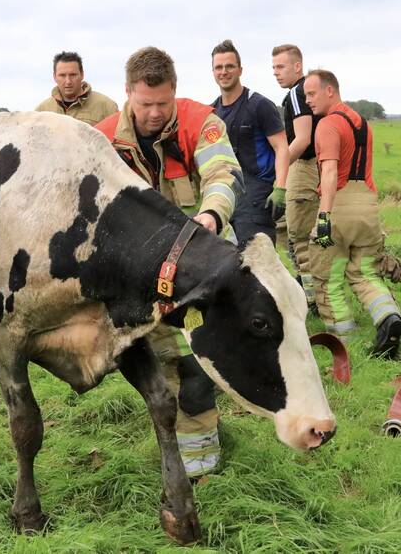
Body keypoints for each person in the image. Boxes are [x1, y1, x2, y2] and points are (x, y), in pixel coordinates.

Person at [96, 46, 243, 477]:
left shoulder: (202, 122)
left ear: (175, 90)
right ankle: (184, 449)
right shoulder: (103, 139)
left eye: (163, 103)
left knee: (197, 360)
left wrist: (212, 214)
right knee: (163, 362)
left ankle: (202, 460)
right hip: (141, 274)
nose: (155, 113)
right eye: (145, 104)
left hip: (202, 266)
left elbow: (223, 174)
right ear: (127, 93)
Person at [304, 68, 401, 357]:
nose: (308, 100)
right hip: (368, 206)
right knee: (366, 274)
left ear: (330, 90)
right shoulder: (362, 123)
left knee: (328, 277)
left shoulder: (326, 125)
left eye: (312, 94)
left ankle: (345, 342)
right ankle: (388, 318)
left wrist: (324, 216)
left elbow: (331, 170)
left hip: (339, 207)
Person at [210, 39, 289, 246]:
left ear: (240, 70)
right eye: (219, 67)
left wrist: (280, 188)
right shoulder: (212, 113)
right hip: (224, 196)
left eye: (229, 66)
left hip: (256, 197)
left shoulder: (259, 105)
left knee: (258, 264)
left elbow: (281, 147)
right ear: (213, 72)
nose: (224, 72)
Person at [272, 44, 320, 311]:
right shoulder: (309, 91)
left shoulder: (295, 93)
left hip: (304, 166)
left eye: (281, 67)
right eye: (274, 68)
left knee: (299, 236)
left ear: (297, 66)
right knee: (286, 226)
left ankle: (312, 301)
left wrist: (279, 169)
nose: (276, 73)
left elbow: (302, 139)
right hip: (316, 167)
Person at [35, 51, 118, 126]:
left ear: (82, 74)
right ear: (54, 77)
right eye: (62, 75)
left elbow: (119, 140)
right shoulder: (41, 111)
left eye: (73, 75)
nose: (68, 81)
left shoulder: (107, 106)